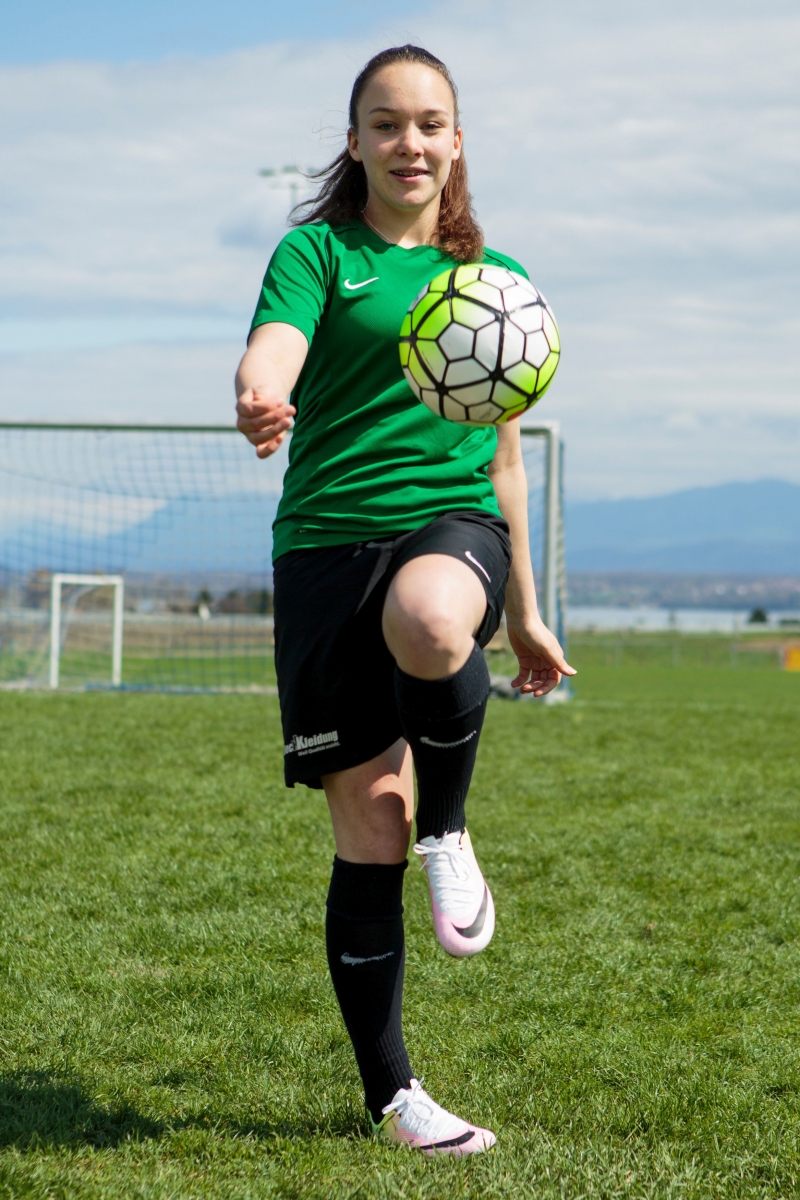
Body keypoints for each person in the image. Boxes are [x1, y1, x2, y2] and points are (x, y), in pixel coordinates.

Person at [235, 43, 575, 1157]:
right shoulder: (317, 255)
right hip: (325, 552)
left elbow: (504, 461)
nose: (409, 142)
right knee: (361, 832)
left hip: (447, 526)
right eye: (385, 123)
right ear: (354, 142)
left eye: (429, 122)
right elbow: (272, 351)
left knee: (434, 620)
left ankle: (451, 826)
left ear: (457, 140)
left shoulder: (494, 282)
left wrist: (520, 609)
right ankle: (394, 1097)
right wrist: (261, 394)